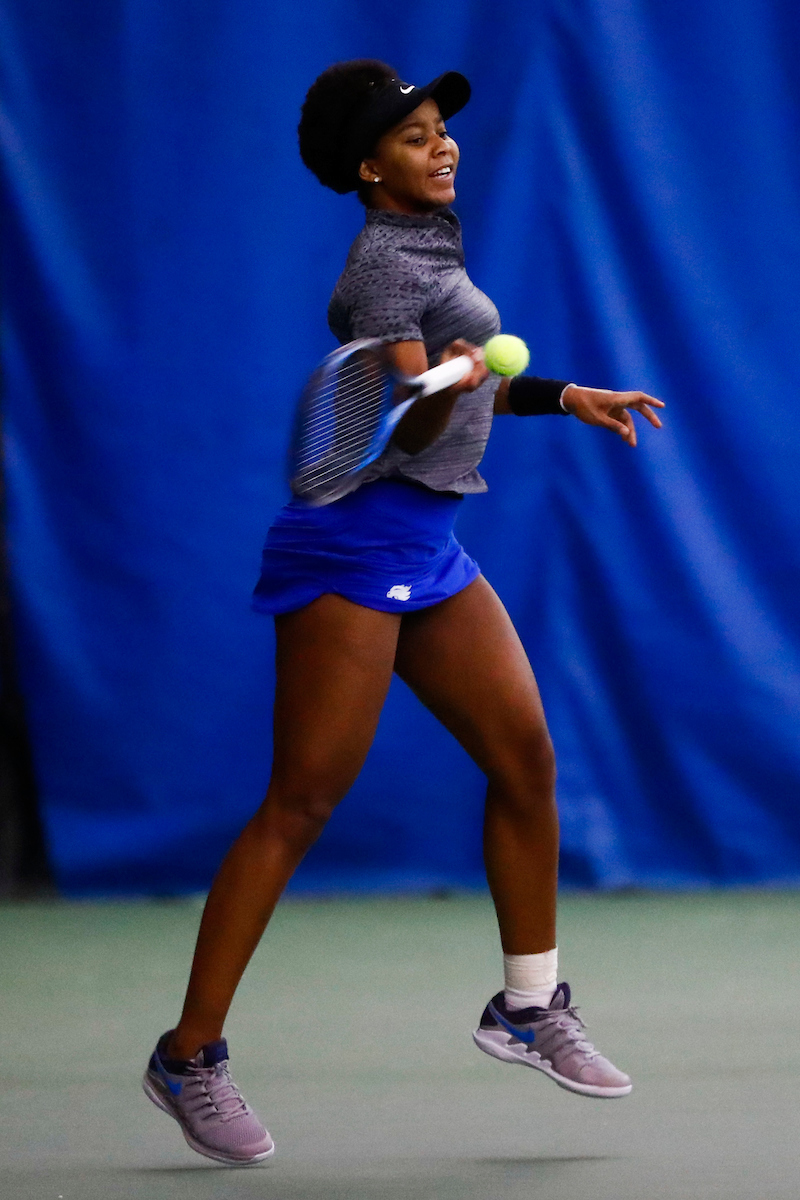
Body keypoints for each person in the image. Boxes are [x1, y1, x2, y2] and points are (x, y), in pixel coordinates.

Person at [142, 59, 664, 1166]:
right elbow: (415, 425)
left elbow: (455, 388)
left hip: (425, 542)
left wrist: (557, 393)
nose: (442, 146)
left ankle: (527, 1005)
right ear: (368, 166)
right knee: (301, 799)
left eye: (441, 129)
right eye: (415, 136)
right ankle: (188, 1055)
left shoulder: (433, 241)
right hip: (351, 545)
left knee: (523, 755)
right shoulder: (381, 266)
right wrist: (450, 383)